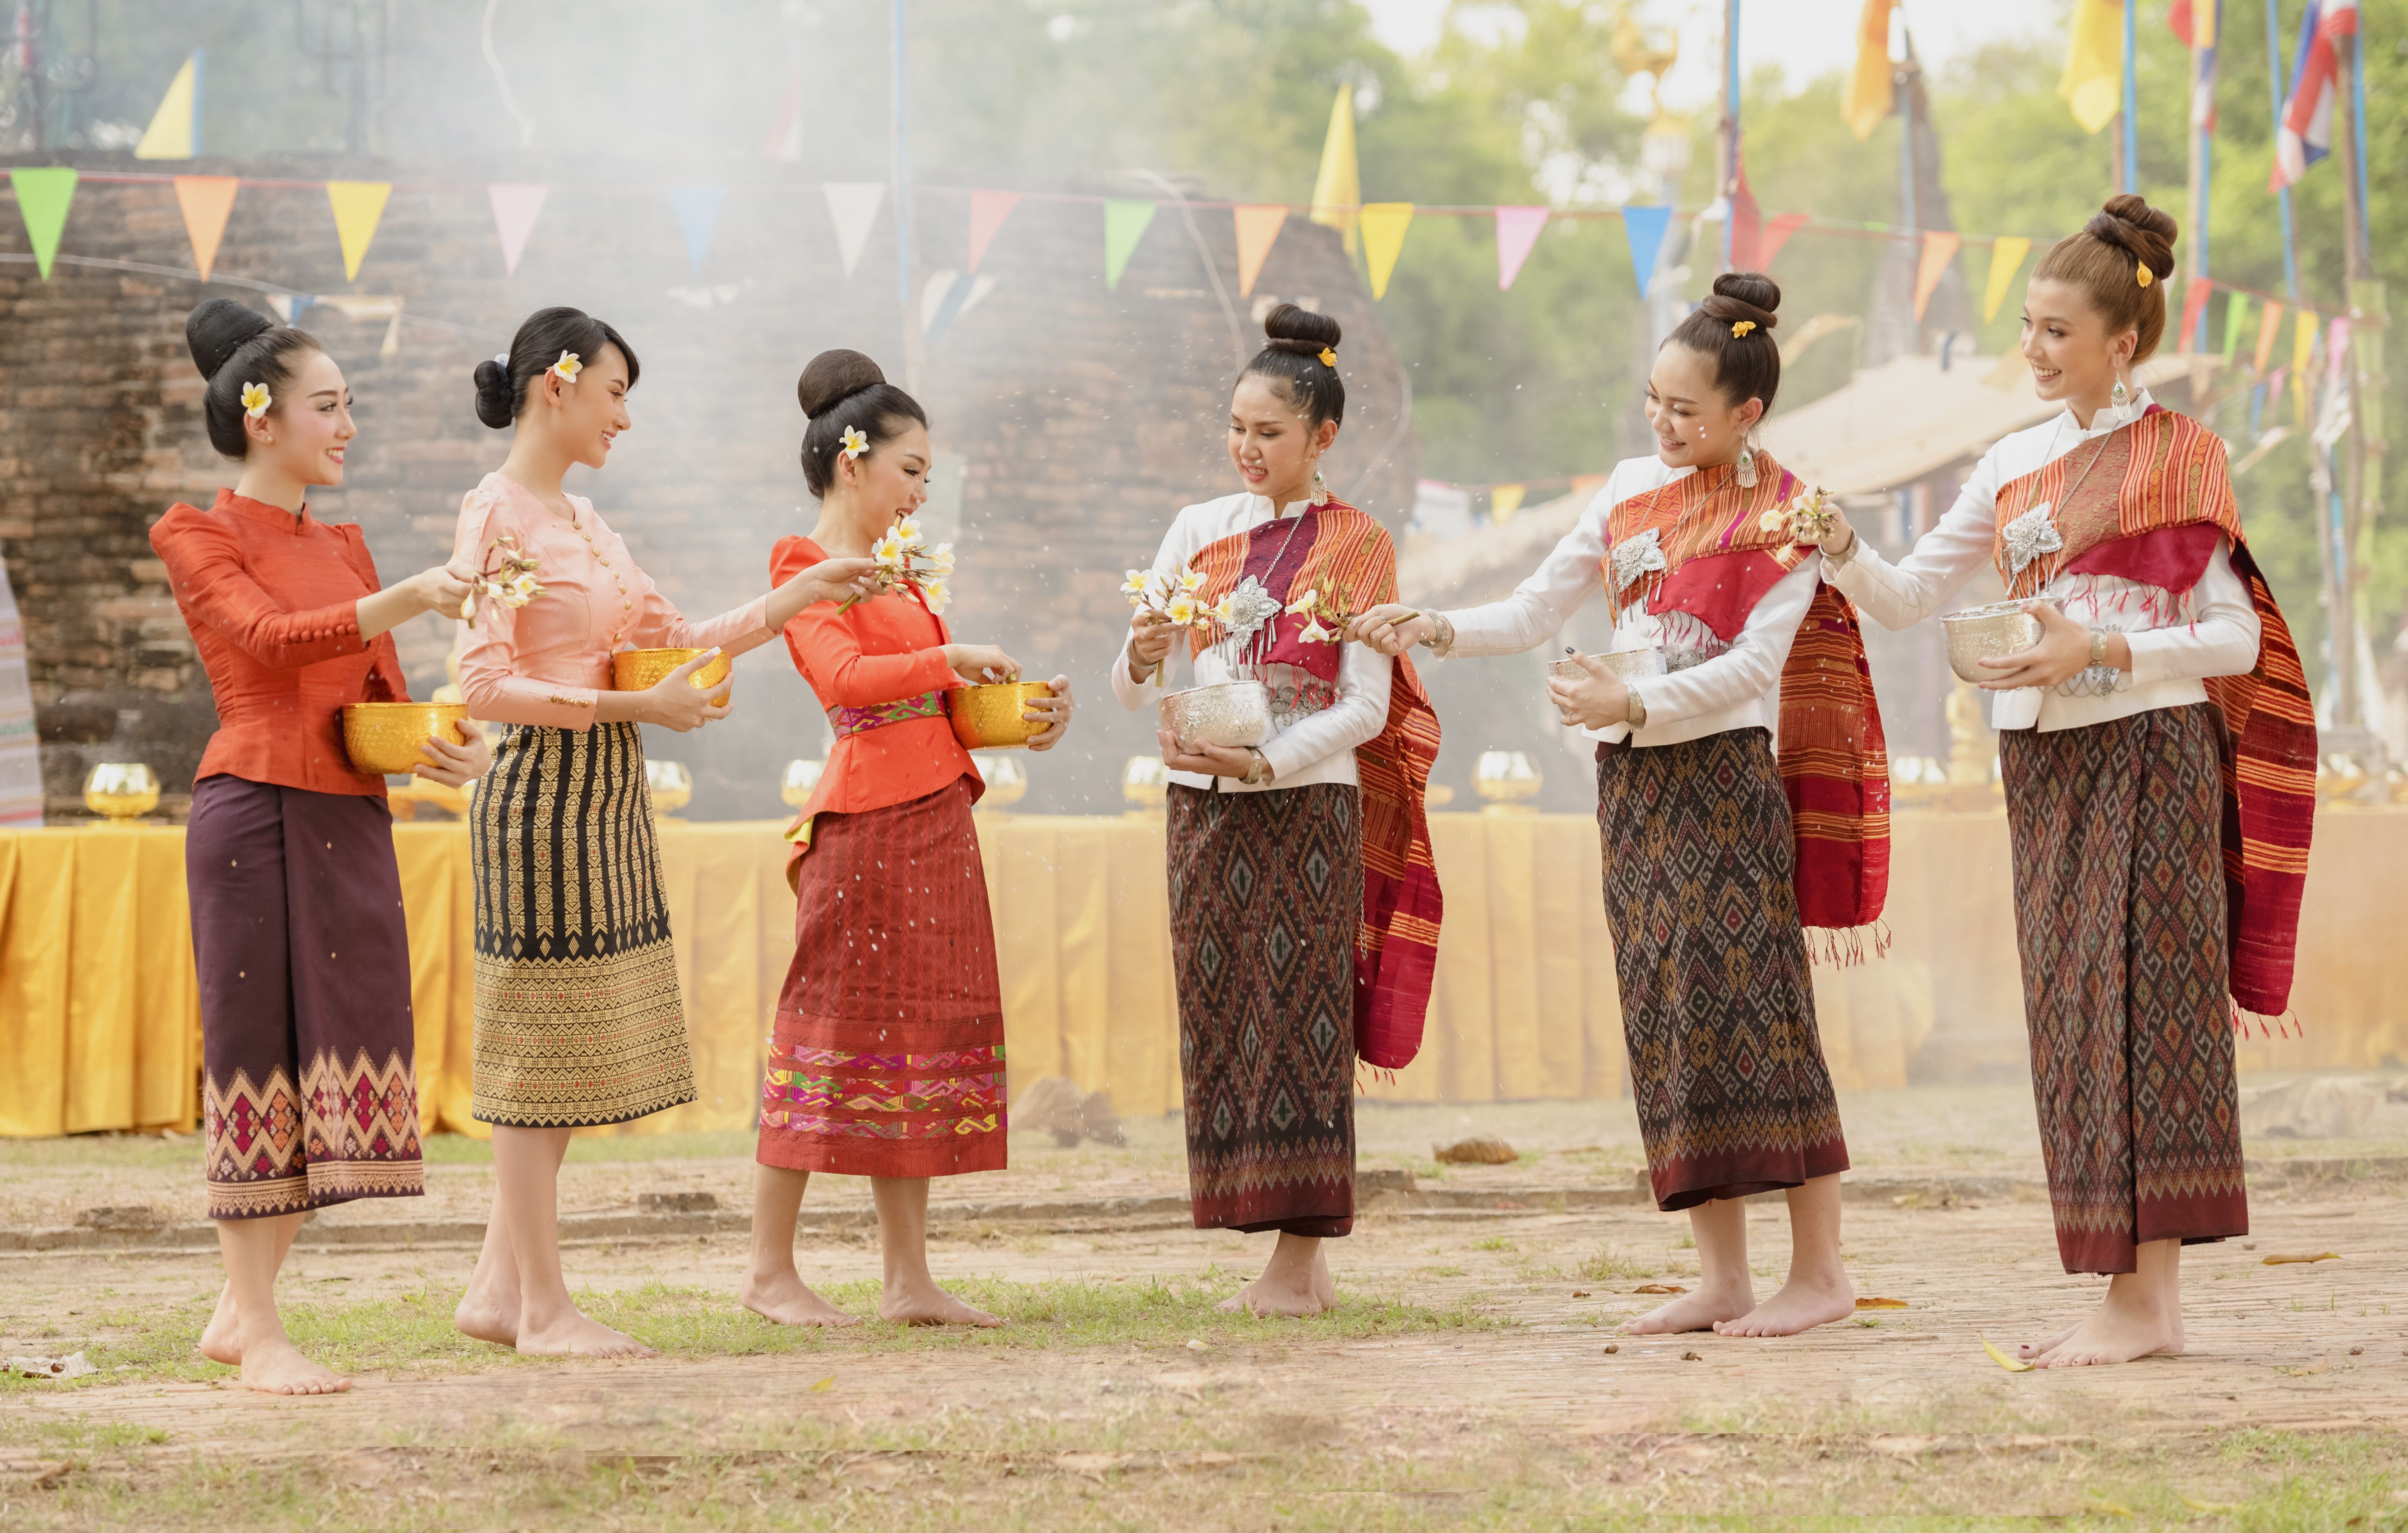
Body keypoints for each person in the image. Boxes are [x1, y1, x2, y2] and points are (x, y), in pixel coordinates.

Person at [1794, 196, 2313, 1367]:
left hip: (2152, 752)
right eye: (2025, 326)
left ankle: (2145, 1306)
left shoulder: (2183, 455)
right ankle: (2129, 1299)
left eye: (2054, 333)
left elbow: (2233, 639)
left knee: (2152, 1012)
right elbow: (1915, 594)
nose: (2030, 351)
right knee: (2075, 1015)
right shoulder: (2011, 463)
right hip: (2042, 762)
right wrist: (1838, 543)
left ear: (2121, 342)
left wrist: (2105, 647)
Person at [1352, 274, 1890, 1339]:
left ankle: (1819, 1273)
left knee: (1761, 1022)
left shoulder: (1785, 516)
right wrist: (1432, 627)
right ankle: (1723, 1276)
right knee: (1668, 1021)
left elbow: (1750, 671)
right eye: (1653, 399)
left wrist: (1630, 696)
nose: (1662, 422)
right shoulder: (1625, 492)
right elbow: (1533, 606)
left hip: (1724, 790)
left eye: (1686, 411)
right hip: (1634, 789)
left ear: (1748, 416)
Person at [446, 308, 876, 1358]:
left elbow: (674, 638)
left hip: (603, 798)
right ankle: (542, 1310)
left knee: (570, 1057)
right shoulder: (496, 512)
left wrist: (797, 595)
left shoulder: (587, 523)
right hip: (540, 803)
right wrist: (645, 712)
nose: (624, 418)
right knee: (534, 1059)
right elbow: (482, 683)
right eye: (615, 393)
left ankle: (500, 1292)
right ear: (558, 387)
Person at [152, 298, 493, 1395]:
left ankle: (233, 1312)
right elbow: (265, 641)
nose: (349, 426)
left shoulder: (343, 541)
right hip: (253, 814)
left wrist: (434, 745)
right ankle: (258, 1330)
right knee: (261, 1058)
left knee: (340, 1055)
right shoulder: (194, 534)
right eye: (330, 406)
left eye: (350, 406)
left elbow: (372, 697)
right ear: (264, 420)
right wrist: (402, 598)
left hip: (347, 816)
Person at [1114, 304, 1443, 1317]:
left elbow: (1364, 706)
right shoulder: (1194, 528)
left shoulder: (1358, 545)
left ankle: (1296, 1266)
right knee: (1223, 1014)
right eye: (1236, 428)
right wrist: (1132, 657)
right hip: (1200, 805)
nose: (1246, 449)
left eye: (1269, 433)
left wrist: (1266, 763)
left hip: (1303, 807)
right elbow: (1142, 683)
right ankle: (1284, 1247)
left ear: (1323, 439)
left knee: (1300, 1021)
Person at [741, 350, 1073, 1329]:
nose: (923, 492)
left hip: (932, 820)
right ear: (853, 464)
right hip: (865, 828)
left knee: (913, 1041)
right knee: (824, 1036)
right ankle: (768, 1271)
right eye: (912, 470)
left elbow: (929, 704)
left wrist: (1013, 714)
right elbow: (845, 684)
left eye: (928, 473)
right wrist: (949, 654)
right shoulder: (800, 565)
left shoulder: (897, 573)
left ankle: (907, 1280)